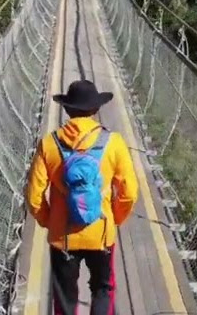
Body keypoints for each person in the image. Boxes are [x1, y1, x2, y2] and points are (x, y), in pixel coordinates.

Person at [26, 79, 139, 315]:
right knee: (103, 289)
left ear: (66, 110)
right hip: (101, 232)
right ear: (96, 110)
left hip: (62, 236)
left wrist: (50, 221)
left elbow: (34, 195)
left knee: (65, 300)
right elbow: (129, 192)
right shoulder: (114, 142)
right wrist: (114, 220)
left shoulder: (49, 144)